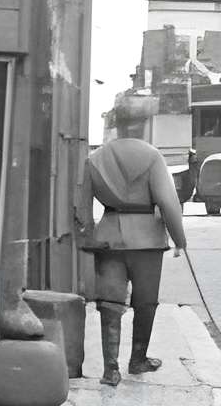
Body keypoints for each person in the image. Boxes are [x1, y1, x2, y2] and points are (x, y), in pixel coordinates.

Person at [79, 92, 190, 386]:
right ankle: (138, 360)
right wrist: (179, 239)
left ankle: (110, 370)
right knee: (146, 302)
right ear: (143, 125)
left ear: (117, 125)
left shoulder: (95, 159)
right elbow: (168, 203)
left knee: (110, 301)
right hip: (148, 240)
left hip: (109, 238)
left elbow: (82, 207)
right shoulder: (152, 156)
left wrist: (88, 235)